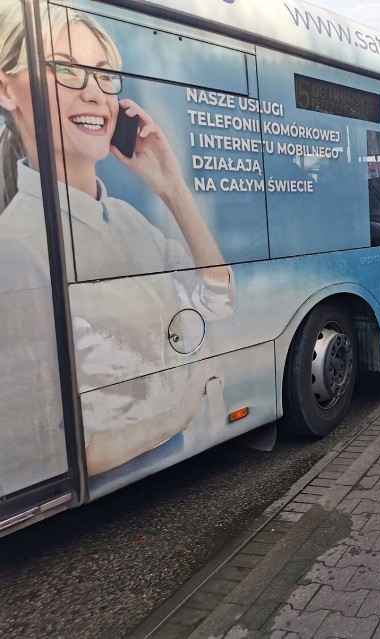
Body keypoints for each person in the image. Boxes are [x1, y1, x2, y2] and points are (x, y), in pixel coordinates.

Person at [0, 2, 235, 493]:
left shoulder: (128, 221)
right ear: (7, 87)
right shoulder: (16, 248)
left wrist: (173, 190)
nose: (93, 92)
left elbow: (217, 299)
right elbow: (36, 457)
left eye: (105, 75)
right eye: (66, 68)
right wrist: (183, 408)